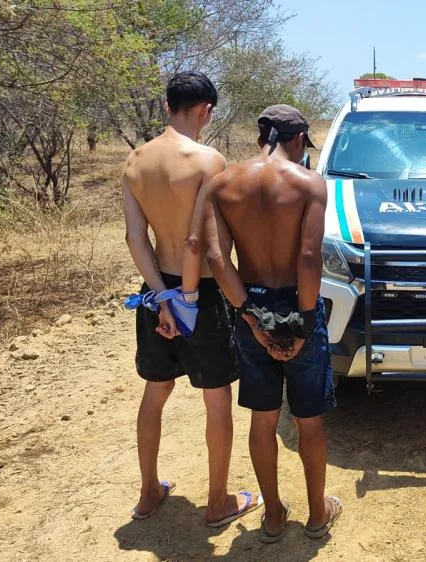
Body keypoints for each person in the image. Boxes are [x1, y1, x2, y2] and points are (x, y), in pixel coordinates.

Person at [182, 104, 342, 544]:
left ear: (261, 138)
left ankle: (272, 516)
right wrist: (306, 322)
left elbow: (216, 258)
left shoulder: (222, 184)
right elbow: (308, 259)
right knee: (309, 422)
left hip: (250, 302)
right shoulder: (309, 184)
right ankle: (316, 513)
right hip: (300, 299)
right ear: (296, 140)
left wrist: (251, 319)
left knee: (263, 419)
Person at [121, 71, 261, 525]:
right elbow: (201, 243)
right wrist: (185, 299)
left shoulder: (135, 161)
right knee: (216, 396)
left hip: (155, 290)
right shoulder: (207, 160)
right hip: (196, 291)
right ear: (206, 110)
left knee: (155, 392)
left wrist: (162, 299)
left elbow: (134, 238)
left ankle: (147, 493)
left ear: (167, 106)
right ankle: (218, 501)